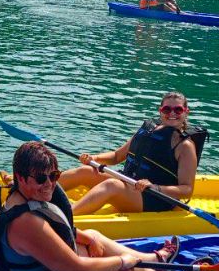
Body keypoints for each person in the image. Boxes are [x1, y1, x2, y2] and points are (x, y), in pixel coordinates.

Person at [0, 141, 188, 271]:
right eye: (41, 179)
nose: (49, 184)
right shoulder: (27, 223)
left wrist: (89, 241)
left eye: (54, 176)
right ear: (20, 178)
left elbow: (57, 233)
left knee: (91, 236)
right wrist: (122, 262)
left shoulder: (15, 196)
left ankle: (155, 262)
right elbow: (78, 269)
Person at [59, 91, 207, 215]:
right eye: (167, 109)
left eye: (178, 110)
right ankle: (45, 192)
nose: (172, 113)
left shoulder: (185, 146)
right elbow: (117, 156)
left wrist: (155, 187)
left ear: (186, 112)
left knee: (112, 185)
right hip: (130, 183)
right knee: (86, 171)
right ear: (160, 110)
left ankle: (65, 216)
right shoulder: (149, 129)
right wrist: (94, 158)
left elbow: (187, 190)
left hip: (155, 197)